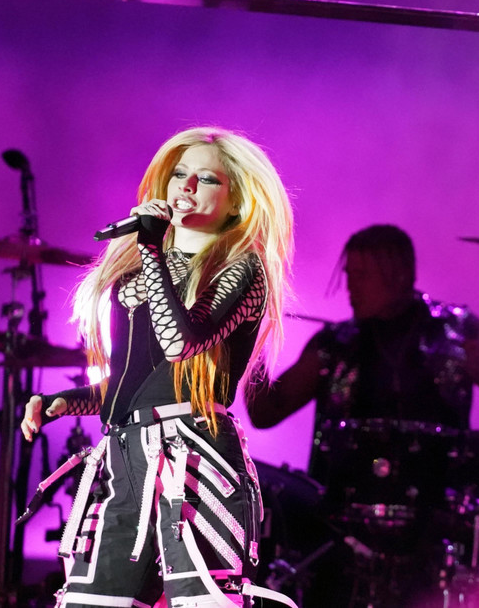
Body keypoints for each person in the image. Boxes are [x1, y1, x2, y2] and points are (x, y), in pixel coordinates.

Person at [20, 127, 297, 607]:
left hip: (195, 457)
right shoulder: (140, 268)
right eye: (179, 174)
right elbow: (137, 383)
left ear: (235, 201)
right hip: (125, 455)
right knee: (92, 600)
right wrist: (63, 402)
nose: (185, 186)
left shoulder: (243, 269)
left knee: (200, 598)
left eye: (206, 179)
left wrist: (150, 250)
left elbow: (181, 345)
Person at [246, 223, 479, 607]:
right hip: (341, 533)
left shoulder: (455, 330)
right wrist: (251, 344)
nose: (351, 287)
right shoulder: (336, 343)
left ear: (401, 274)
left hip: (435, 527)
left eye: (363, 275)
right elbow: (265, 413)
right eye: (350, 274)